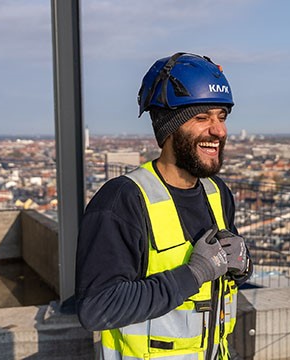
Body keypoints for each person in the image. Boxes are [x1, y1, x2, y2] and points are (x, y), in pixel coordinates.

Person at [76, 52, 252, 360]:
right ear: (169, 127)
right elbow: (97, 308)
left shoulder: (217, 193)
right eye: (202, 118)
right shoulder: (123, 202)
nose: (219, 131)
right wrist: (194, 273)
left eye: (221, 117)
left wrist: (242, 267)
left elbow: (220, 286)